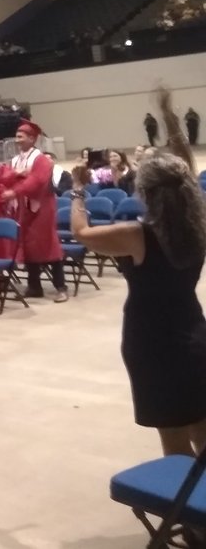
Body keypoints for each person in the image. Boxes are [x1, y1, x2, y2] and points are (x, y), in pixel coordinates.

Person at [70, 86, 206, 457]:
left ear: (145, 192)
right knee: (202, 426)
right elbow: (186, 177)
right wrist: (171, 120)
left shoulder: (136, 236)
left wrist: (78, 191)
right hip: (193, 332)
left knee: (174, 438)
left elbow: (81, 233)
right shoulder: (197, 227)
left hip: (152, 341)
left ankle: (186, 511)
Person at [1, 120, 68, 302]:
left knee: (48, 245)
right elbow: (5, 176)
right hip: (24, 208)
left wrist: (16, 189)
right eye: (17, 136)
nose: (17, 140)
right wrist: (18, 174)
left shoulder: (41, 160)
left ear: (32, 138)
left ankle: (61, 287)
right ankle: (34, 287)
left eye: (20, 137)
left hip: (42, 209)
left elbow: (36, 182)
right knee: (29, 246)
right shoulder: (17, 160)